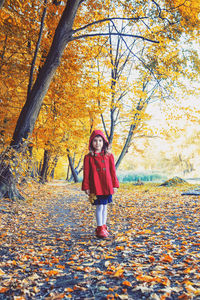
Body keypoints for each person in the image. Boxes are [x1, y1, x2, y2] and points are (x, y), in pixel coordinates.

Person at [82, 130, 119, 238]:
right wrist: (86, 187)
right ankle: (99, 228)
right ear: (91, 143)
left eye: (100, 140)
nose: (97, 143)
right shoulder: (88, 157)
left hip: (106, 185)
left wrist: (114, 185)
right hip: (96, 186)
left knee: (105, 206)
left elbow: (113, 171)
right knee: (99, 206)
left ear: (104, 142)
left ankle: (103, 225)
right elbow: (86, 173)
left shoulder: (109, 156)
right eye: (95, 141)